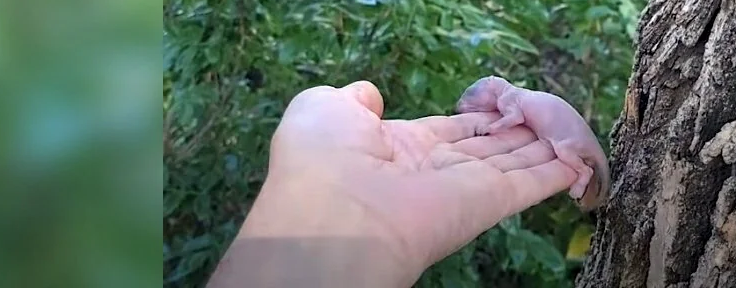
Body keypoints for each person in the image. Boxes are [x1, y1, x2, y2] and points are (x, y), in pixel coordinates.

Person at [205, 80, 579, 288]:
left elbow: (508, 119)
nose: (466, 109)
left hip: (562, 142)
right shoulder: (518, 98)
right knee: (564, 159)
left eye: (472, 102)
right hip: (557, 141)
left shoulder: (513, 101)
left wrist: (495, 126)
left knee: (567, 157)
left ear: (492, 93)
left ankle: (581, 178)